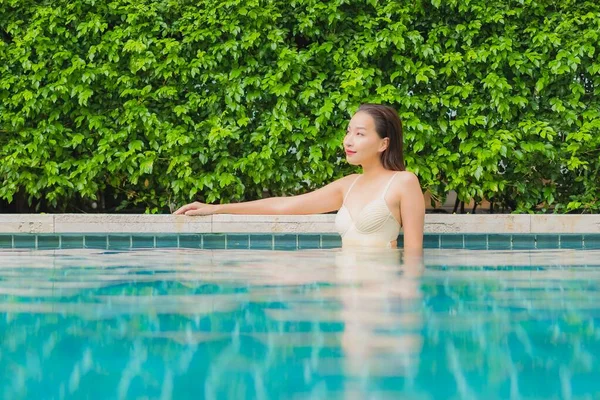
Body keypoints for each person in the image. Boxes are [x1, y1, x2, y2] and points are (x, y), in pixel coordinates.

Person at [174, 104, 425, 250]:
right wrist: (216, 209)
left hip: (381, 289)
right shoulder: (347, 186)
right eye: (348, 132)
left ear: (383, 144)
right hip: (347, 288)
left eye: (360, 134)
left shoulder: (403, 182)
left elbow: (414, 253)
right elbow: (286, 205)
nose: (348, 141)